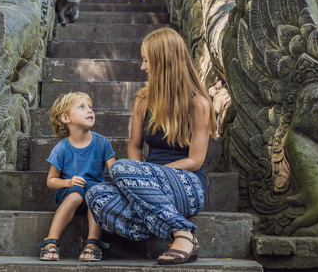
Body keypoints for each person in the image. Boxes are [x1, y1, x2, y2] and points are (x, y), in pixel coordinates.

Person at [86, 27, 217, 265]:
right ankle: (173, 229)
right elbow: (134, 147)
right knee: (95, 195)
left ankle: (183, 233)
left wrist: (146, 176)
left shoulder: (198, 103)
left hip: (187, 184)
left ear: (164, 62)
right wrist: (139, 178)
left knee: (120, 168)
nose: (142, 67)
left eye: (147, 60)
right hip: (146, 186)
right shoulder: (143, 99)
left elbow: (196, 160)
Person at [36, 92, 116, 261]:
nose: (90, 111)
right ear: (66, 118)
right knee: (76, 194)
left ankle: (92, 243)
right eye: (82, 107)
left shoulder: (103, 143)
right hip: (70, 193)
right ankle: (51, 240)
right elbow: (51, 181)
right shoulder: (62, 147)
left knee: (97, 193)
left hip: (95, 195)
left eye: (91, 108)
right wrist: (68, 182)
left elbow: (115, 172)